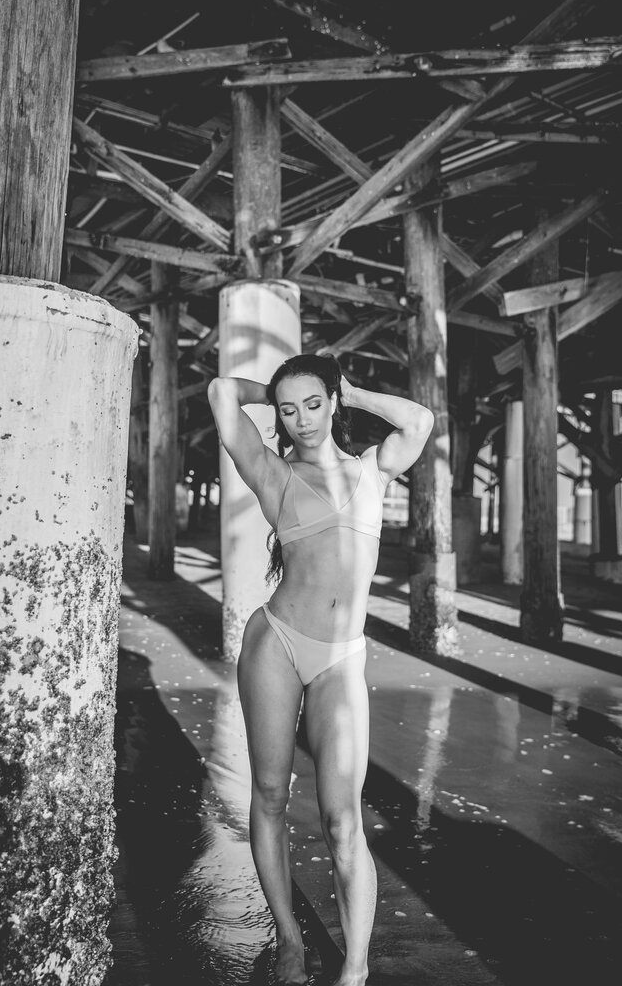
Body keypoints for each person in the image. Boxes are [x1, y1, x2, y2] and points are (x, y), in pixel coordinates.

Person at [207, 354, 433, 986]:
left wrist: (350, 391)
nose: (302, 419)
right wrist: (276, 387)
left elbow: (419, 421)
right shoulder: (274, 475)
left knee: (342, 818)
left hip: (340, 658)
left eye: (313, 403)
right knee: (270, 793)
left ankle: (354, 970)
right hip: (276, 643)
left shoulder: (373, 470)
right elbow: (222, 390)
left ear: (332, 402)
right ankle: (288, 940)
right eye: (288, 409)